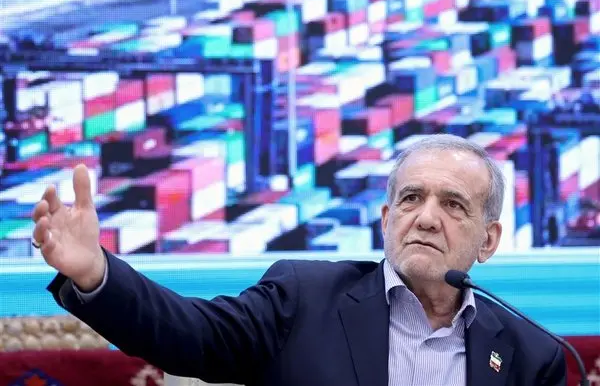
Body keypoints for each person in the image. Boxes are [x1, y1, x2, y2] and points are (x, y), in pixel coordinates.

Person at [31, 133, 566, 386]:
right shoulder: (303, 300)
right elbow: (190, 333)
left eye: (452, 205)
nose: (426, 218)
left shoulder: (531, 356)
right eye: (411, 198)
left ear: (488, 241)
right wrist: (95, 272)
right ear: (386, 220)